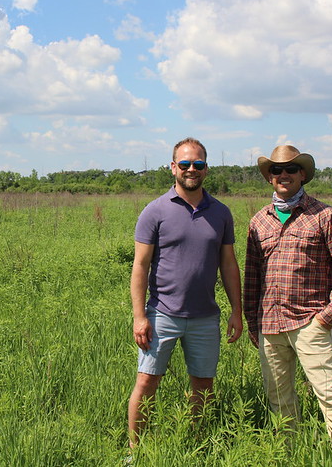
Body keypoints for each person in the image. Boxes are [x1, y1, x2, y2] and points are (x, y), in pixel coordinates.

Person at [127, 137, 243, 449]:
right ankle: (136, 451)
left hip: (205, 316)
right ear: (173, 167)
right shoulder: (155, 211)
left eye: (198, 164)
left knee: (203, 385)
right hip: (162, 313)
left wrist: (236, 310)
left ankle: (194, 443)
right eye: (185, 164)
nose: (192, 169)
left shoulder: (220, 213)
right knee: (147, 381)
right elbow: (140, 266)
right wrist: (140, 317)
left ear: (206, 168)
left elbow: (229, 264)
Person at [244, 145, 332, 452]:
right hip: (270, 325)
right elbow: (252, 278)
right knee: (278, 399)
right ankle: (286, 454)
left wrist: (326, 317)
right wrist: (253, 324)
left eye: (291, 169)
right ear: (270, 178)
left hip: (311, 323)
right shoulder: (259, 222)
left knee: (331, 398)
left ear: (303, 175)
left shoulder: (324, 216)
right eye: (277, 170)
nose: (284, 175)